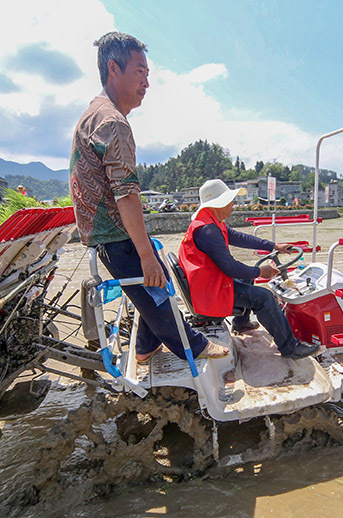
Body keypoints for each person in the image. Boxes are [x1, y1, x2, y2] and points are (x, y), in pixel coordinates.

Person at [70, 32, 227, 364]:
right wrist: (144, 254)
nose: (147, 82)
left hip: (107, 231)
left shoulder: (97, 114)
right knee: (155, 287)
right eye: (140, 71)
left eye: (148, 74)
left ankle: (144, 346)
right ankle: (193, 346)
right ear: (114, 68)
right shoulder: (113, 123)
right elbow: (125, 193)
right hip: (114, 233)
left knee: (157, 279)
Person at [179, 179, 320, 360]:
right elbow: (229, 267)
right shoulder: (207, 230)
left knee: (247, 276)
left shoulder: (211, 221)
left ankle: (241, 323)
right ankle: (290, 347)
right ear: (218, 203)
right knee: (265, 297)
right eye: (230, 201)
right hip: (210, 292)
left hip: (208, 283)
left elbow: (239, 237)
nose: (233, 205)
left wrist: (274, 246)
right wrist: (261, 272)